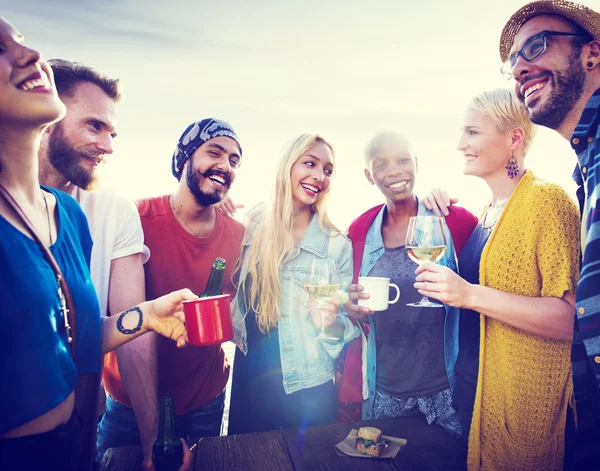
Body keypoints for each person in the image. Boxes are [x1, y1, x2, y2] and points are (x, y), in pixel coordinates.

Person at [0, 16, 194, 471]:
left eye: (22, 40)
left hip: (73, 452)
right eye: (0, 48)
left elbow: (81, 341)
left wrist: (147, 315)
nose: (30, 57)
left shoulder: (66, 214)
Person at [414, 88, 580, 471]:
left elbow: (570, 317)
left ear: (514, 139)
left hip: (523, 404)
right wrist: (431, 204)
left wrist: (469, 295)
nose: (460, 144)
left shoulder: (548, 201)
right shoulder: (486, 211)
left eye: (472, 132)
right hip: (477, 391)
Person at [35, 59, 161, 468]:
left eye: (112, 133)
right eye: (94, 126)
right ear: (47, 116)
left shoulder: (111, 210)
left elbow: (126, 329)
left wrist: (152, 442)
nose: (108, 146)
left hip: (79, 440)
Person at [99, 118, 245, 454]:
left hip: (205, 398)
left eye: (234, 161)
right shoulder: (135, 217)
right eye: (215, 153)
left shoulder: (239, 235)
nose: (225, 166)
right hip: (128, 404)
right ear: (184, 157)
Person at [499, 2, 600, 468]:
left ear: (591, 54)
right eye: (513, 61)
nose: (521, 67)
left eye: (536, 45)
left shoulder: (552, 195)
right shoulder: (587, 168)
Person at [339, 132, 477, 437]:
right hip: (385, 392)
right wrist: (353, 310)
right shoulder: (360, 229)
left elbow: (481, 297)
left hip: (448, 393)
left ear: (416, 164)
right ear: (368, 175)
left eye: (403, 160)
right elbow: (354, 302)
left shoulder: (454, 220)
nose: (394, 171)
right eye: (382, 164)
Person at [228, 134, 360, 434]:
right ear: (288, 166)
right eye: (310, 163)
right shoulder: (253, 224)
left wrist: (327, 321)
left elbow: (341, 332)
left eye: (327, 170)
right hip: (250, 379)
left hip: (308, 388)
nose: (319, 176)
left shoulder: (336, 245)